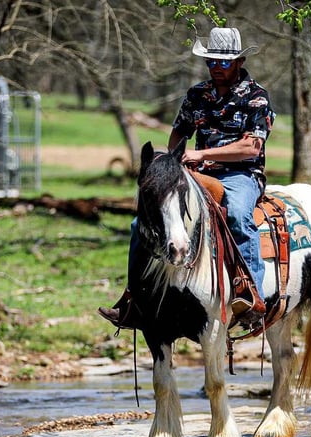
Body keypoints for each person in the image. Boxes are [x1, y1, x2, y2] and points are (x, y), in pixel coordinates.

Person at [99, 27, 275, 329]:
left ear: (239, 62)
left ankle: (251, 296)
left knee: (238, 214)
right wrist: (174, 158)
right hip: (195, 172)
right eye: (211, 62)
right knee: (140, 223)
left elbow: (251, 146)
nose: (216, 68)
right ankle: (135, 299)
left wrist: (201, 156)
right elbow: (180, 130)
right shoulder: (197, 94)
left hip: (241, 174)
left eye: (223, 62)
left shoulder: (257, 97)